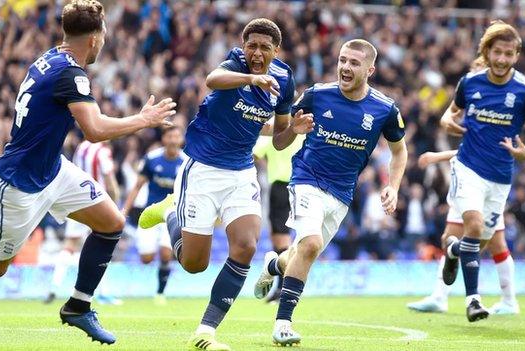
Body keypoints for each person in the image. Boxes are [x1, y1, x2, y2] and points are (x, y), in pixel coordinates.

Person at [0, 1, 176, 349]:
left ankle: (78, 305)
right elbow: (93, 129)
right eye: (103, 35)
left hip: (53, 170)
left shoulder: (51, 57)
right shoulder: (70, 73)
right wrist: (143, 120)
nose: (104, 42)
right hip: (17, 185)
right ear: (94, 38)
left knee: (111, 223)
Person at [138, 18, 313, 351]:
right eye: (252, 45)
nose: (257, 52)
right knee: (193, 264)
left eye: (265, 47)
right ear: (243, 45)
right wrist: (251, 77)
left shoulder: (285, 80)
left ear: (276, 50)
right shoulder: (235, 64)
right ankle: (171, 212)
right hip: (201, 169)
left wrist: (296, 129)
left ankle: (205, 332)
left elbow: (278, 138)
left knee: (247, 246)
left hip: (241, 172)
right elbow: (211, 79)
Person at [253, 39, 408, 346]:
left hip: (341, 193)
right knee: (309, 245)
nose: (345, 67)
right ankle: (283, 324)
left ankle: (274, 264)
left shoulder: (385, 110)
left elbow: (399, 152)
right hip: (306, 179)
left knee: (301, 253)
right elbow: (281, 139)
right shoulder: (316, 95)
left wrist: (393, 185)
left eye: (354, 63)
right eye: (342, 60)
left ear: (370, 69)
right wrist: (281, 128)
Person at [439, 20, 525, 322]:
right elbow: (451, 113)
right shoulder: (470, 83)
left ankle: (454, 252)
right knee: (473, 225)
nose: (502, 60)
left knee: (479, 243)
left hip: (501, 175)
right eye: (497, 52)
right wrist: (448, 122)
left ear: (516, 55)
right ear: (487, 51)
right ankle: (473, 301)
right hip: (468, 165)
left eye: (509, 54)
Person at [407, 149, 519, 314]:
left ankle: (443, 296)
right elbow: (467, 148)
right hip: (468, 187)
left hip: (476, 189)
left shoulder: (484, 127)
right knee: (456, 239)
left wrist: (437, 156)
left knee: (484, 244)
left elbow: (472, 148)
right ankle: (507, 300)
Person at [45, 139, 121, 305]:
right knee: (103, 243)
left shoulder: (82, 147)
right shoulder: (103, 151)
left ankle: (54, 286)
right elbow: (110, 182)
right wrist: (115, 206)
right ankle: (103, 293)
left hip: (77, 198)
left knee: (69, 246)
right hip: (97, 202)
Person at [123, 126, 186, 304]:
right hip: (151, 214)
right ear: (164, 139)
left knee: (166, 254)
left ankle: (160, 293)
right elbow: (137, 186)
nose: (173, 140)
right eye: (170, 136)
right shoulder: (151, 159)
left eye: (176, 136)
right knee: (146, 258)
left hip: (173, 214)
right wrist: (125, 211)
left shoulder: (186, 162)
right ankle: (151, 281)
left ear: (181, 140)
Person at [252, 133, 304, 302]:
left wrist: (266, 164)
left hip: (281, 186)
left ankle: (284, 288)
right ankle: (281, 287)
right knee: (282, 238)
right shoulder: (304, 135)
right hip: (301, 186)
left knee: (281, 239)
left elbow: (255, 153)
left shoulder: (276, 134)